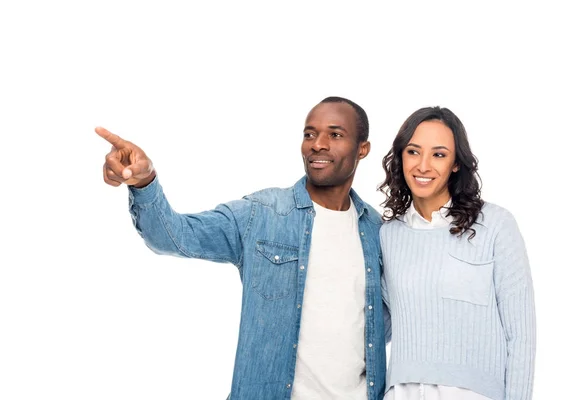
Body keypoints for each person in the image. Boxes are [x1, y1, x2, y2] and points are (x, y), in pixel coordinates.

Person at [96, 97, 388, 400]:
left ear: (362, 149)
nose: (317, 144)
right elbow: (173, 236)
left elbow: (380, 327)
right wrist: (145, 181)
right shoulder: (261, 214)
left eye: (335, 134)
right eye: (309, 134)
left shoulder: (378, 233)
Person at [378, 107, 536, 400]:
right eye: (413, 152)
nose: (423, 165)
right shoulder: (388, 235)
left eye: (438, 154)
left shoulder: (495, 225)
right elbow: (381, 327)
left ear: (455, 163)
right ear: (400, 157)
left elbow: (521, 336)